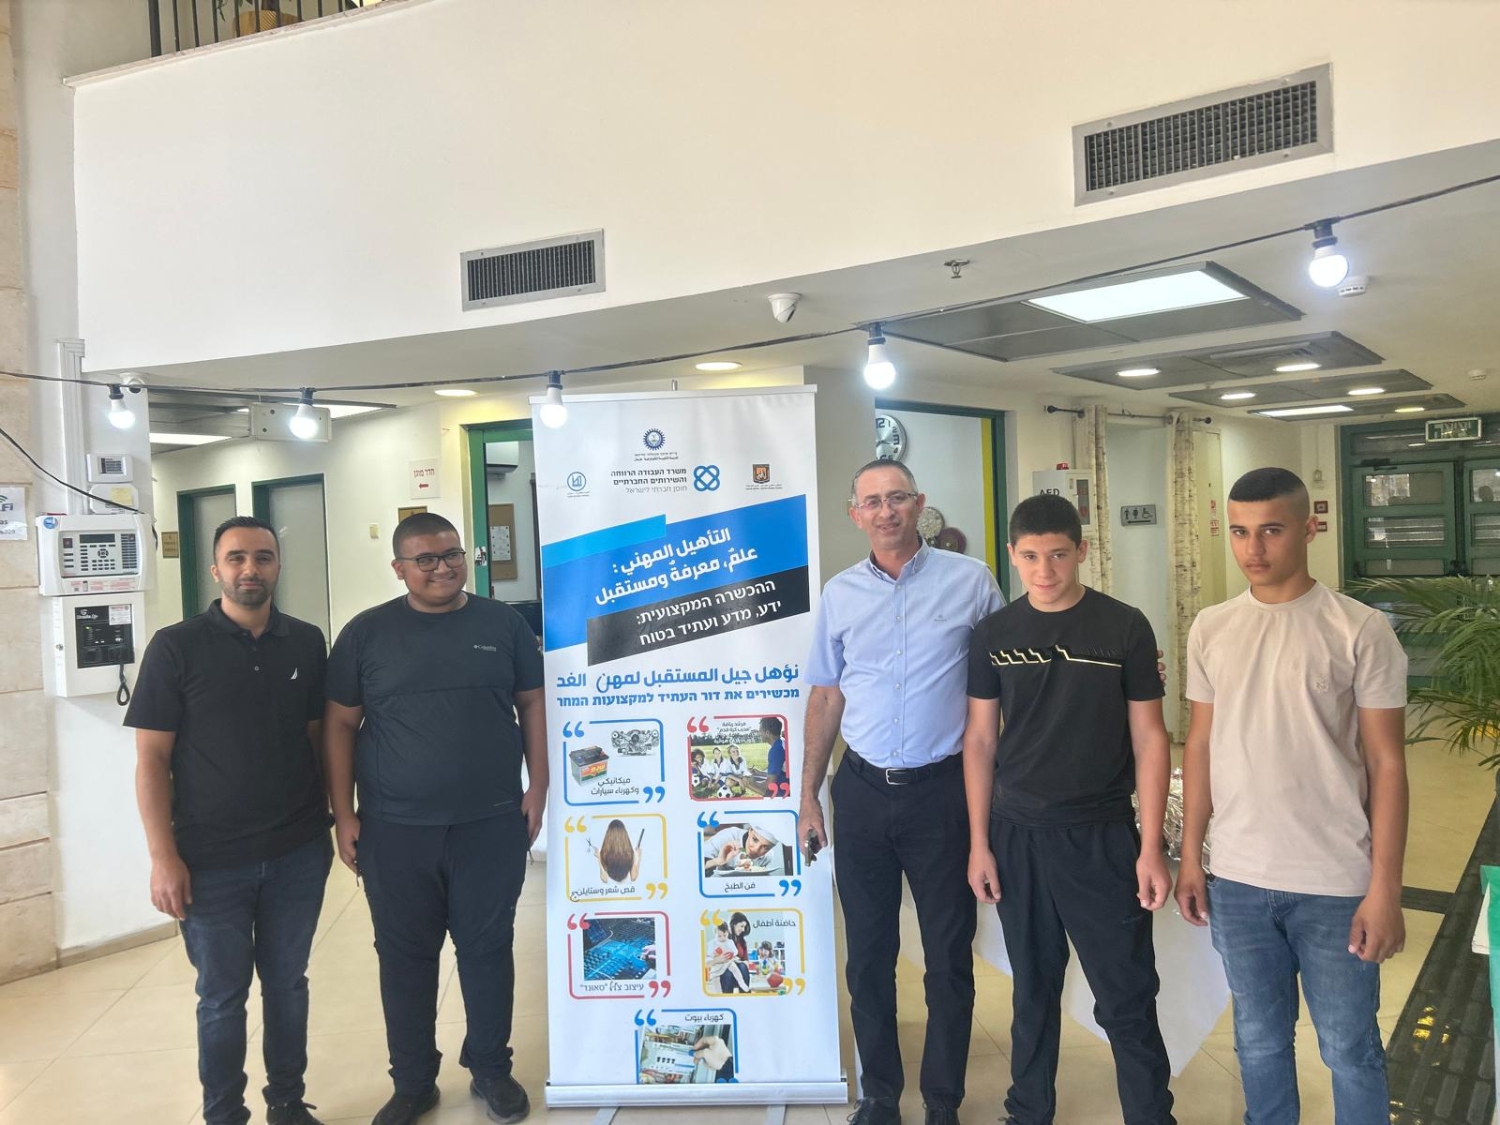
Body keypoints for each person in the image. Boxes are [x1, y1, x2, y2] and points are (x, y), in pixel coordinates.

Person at [1175, 467, 1409, 1125]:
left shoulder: (1359, 629)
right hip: (1238, 880)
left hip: (1335, 882)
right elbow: (1200, 744)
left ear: (1309, 528)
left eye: (1271, 530)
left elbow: (1388, 764)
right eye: (1240, 532)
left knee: (1349, 1049)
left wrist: (1385, 889)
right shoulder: (1211, 627)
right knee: (1258, 1042)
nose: (1253, 548)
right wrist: (1191, 857)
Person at [324, 512, 547, 1125]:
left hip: (490, 823)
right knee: (405, 959)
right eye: (425, 559)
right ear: (399, 569)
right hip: (394, 830)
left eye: (451, 554)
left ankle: (492, 1069)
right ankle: (413, 1081)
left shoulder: (503, 624)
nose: (442, 567)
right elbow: (340, 725)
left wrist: (539, 785)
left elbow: (532, 705)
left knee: (487, 950)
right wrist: (343, 814)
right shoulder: (366, 634)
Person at [801, 459, 1004, 1125]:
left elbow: (1007, 684)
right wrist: (808, 796)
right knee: (868, 957)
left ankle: (943, 1099)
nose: (885, 511)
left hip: (942, 793)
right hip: (860, 792)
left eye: (897, 498)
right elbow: (826, 696)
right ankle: (880, 1096)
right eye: (872, 501)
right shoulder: (839, 594)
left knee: (947, 957)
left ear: (919, 504)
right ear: (854, 514)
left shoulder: (972, 582)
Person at [963, 494, 1176, 1125]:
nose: (1045, 570)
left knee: (1126, 996)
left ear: (1082, 550)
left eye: (1058, 555)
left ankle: (1151, 1117)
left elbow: (1150, 738)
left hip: (1102, 834)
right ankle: (1028, 1111)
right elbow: (980, 741)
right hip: (1018, 836)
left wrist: (1151, 847)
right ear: (1012, 556)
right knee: (1032, 992)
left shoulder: (1124, 626)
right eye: (1030, 557)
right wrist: (979, 844)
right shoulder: (993, 634)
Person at [126, 515, 331, 1125]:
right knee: (221, 997)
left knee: (288, 984)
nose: (250, 569)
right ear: (216, 569)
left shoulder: (306, 641)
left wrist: (337, 818)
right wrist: (163, 857)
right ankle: (224, 1113)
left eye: (263, 557)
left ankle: (287, 1103)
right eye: (236, 558)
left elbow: (318, 739)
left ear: (277, 566)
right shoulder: (176, 647)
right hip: (209, 862)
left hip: (297, 852)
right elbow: (151, 760)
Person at [701, 823, 779, 874]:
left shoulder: (767, 857)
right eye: (755, 839)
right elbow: (696, 866)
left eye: (765, 847)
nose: (756, 849)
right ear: (750, 831)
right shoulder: (727, 836)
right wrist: (718, 861)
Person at [761, 717, 788, 792]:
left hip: (785, 788)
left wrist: (752, 782)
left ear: (767, 733)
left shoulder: (775, 750)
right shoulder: (782, 741)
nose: (759, 734)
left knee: (749, 783)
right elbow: (775, 773)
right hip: (786, 780)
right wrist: (759, 773)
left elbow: (770, 784)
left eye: (760, 731)